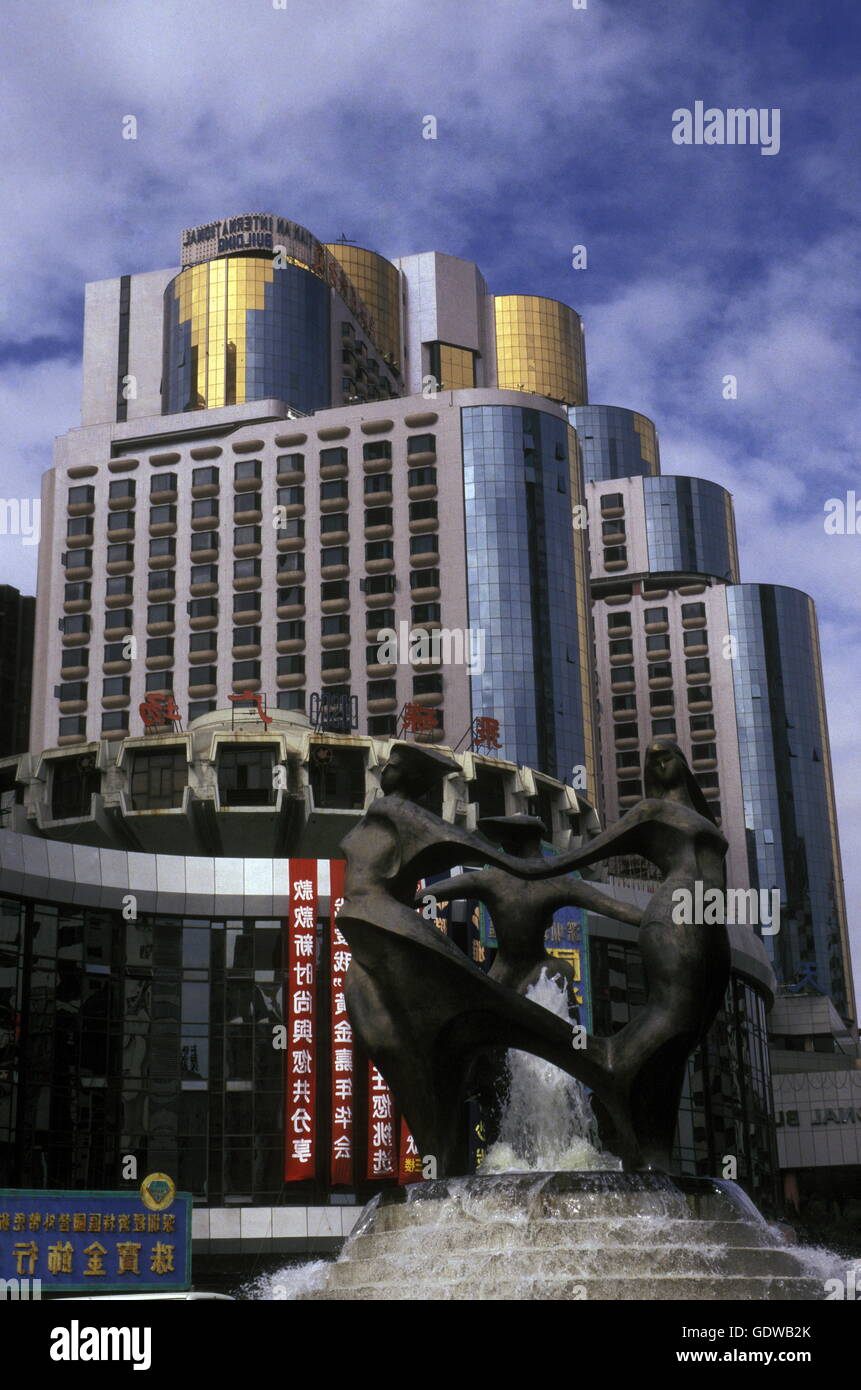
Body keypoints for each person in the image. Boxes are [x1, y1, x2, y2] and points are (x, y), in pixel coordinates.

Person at [336, 742, 633, 1175]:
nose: (387, 769)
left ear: (415, 779)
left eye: (396, 764)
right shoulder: (385, 817)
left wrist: (530, 869)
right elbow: (463, 869)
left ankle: (602, 1070)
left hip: (396, 930)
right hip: (371, 936)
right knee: (394, 1042)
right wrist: (428, 893)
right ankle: (446, 1153)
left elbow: (468, 846)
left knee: (489, 1024)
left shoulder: (409, 817)